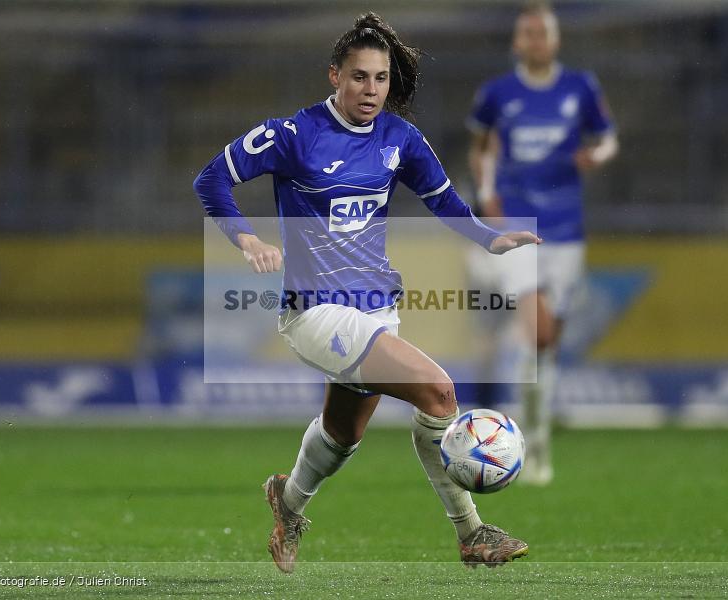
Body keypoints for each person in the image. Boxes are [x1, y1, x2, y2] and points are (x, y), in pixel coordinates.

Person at [194, 13, 541, 572]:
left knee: (341, 434)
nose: (371, 90)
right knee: (439, 393)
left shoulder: (399, 138)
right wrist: (247, 238)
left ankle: (287, 501)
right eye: (359, 77)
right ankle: (472, 533)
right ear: (335, 75)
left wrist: (490, 237)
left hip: (377, 308)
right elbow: (211, 179)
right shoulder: (294, 135)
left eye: (380, 79)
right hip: (316, 312)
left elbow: (444, 201)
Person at [467, 1, 618, 485]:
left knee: (548, 344)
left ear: (555, 40)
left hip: (567, 231)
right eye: (527, 33)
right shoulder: (497, 94)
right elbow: (482, 150)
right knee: (536, 330)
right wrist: (488, 198)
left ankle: (538, 439)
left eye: (543, 33)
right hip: (519, 224)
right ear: (517, 42)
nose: (535, 40)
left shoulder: (581, 87)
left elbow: (609, 136)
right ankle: (525, 444)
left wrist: (597, 153)